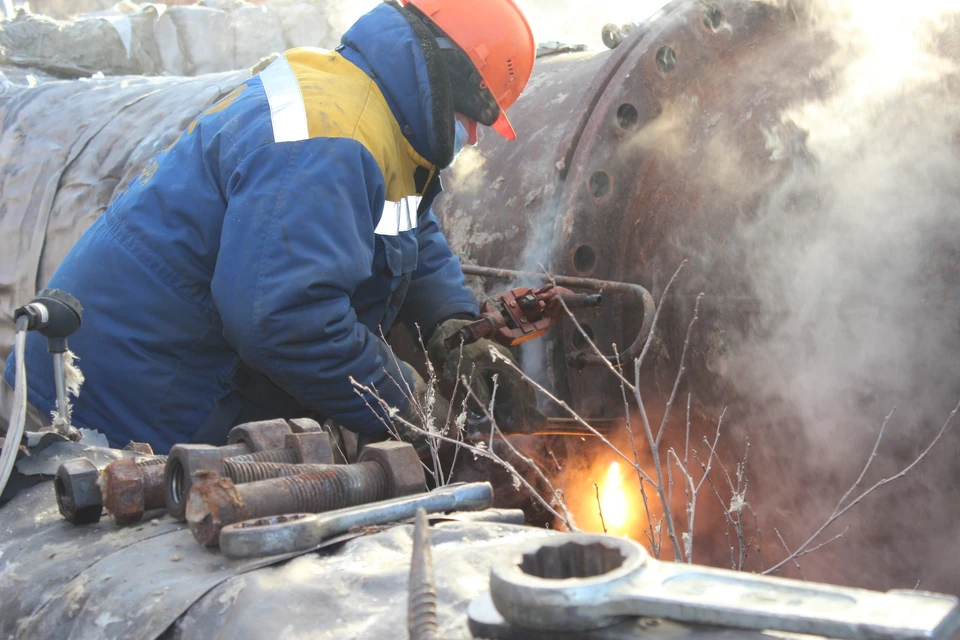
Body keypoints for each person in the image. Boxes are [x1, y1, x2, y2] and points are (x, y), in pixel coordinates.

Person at [2, 0, 544, 453]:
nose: (473, 137)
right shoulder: (330, 139)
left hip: (168, 375)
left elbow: (410, 226)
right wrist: (415, 410)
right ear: (449, 78)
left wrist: (450, 323)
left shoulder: (376, 111)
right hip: (117, 403)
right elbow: (286, 319)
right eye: (476, 116)